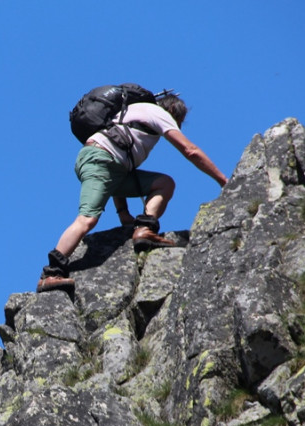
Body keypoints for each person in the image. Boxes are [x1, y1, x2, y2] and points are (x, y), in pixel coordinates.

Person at [37, 92, 228, 292]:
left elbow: (117, 171)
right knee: (87, 219)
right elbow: (190, 151)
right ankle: (51, 273)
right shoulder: (157, 113)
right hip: (100, 161)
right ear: (173, 111)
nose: (178, 127)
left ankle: (144, 228)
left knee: (164, 183)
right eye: (179, 121)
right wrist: (222, 180)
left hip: (107, 163)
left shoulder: (131, 113)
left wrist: (123, 213)